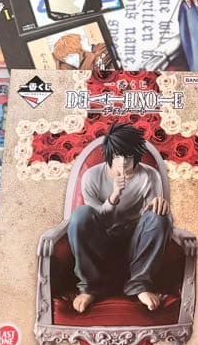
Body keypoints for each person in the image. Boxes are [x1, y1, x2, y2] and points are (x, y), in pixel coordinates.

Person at [48, 123, 171, 314]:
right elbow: (94, 218)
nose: (123, 162)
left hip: (135, 246)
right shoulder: (91, 176)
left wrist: (158, 208)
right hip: (101, 245)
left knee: (159, 217)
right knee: (81, 215)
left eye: (128, 156)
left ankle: (139, 285)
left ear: (136, 155)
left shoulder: (149, 175)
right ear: (109, 154)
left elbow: (151, 218)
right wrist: (114, 197)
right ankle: (90, 287)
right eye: (117, 156)